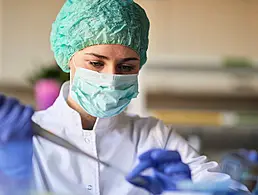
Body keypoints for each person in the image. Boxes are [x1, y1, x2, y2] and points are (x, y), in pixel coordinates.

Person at [0, 0, 248, 194]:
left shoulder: (154, 137)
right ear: (68, 58)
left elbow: (230, 191)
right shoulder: (24, 136)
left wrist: (189, 193)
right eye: (97, 63)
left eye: (126, 67)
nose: (111, 77)